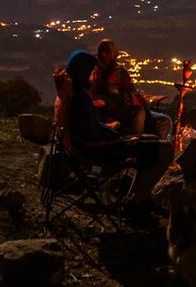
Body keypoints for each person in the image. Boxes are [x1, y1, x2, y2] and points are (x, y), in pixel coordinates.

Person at [65, 49, 173, 205]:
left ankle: (134, 195)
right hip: (105, 149)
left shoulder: (73, 93)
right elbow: (93, 134)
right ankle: (135, 201)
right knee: (165, 150)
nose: (93, 77)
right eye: (90, 73)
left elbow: (91, 128)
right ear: (82, 72)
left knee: (152, 141)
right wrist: (117, 137)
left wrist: (108, 127)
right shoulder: (80, 99)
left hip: (98, 145)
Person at [91, 38, 172, 140]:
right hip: (111, 110)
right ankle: (136, 147)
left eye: (107, 52)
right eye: (101, 51)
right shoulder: (95, 71)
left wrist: (140, 99)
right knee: (138, 112)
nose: (103, 54)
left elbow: (131, 90)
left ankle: (157, 149)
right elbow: (93, 93)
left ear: (114, 54)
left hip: (127, 106)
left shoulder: (120, 72)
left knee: (164, 120)